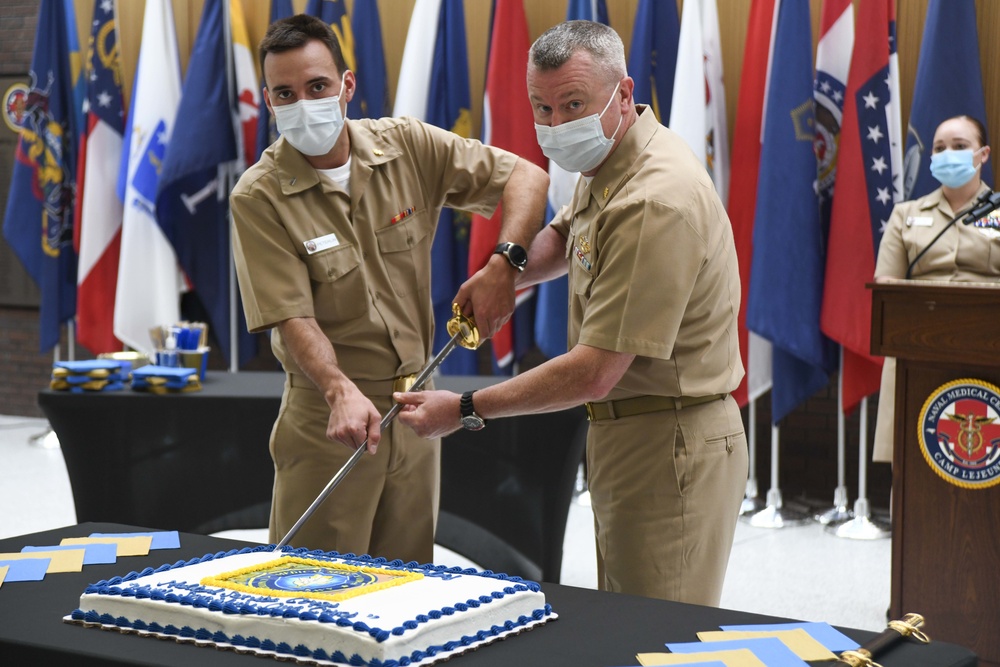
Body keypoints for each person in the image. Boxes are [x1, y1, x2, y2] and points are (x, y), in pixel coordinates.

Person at [395, 20, 748, 606]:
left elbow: (594, 370)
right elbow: (568, 234)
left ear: (624, 93)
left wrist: (463, 409)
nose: (556, 125)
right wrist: (505, 270)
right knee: (625, 611)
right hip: (628, 430)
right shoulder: (615, 156)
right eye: (543, 108)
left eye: (574, 105)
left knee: (659, 631)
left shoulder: (654, 200)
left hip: (671, 439)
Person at [230, 14, 548, 563]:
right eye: (286, 93)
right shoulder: (258, 196)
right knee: (315, 598)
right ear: (269, 100)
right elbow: (292, 317)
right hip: (330, 419)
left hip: (417, 408)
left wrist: (505, 264)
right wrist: (337, 389)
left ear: (347, 86)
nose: (303, 104)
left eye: (317, 87)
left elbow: (527, 177)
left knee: (404, 590)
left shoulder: (406, 146)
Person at [873, 114, 999, 462]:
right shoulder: (906, 215)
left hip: (988, 348)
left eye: (960, 147)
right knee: (913, 461)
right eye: (940, 148)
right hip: (918, 349)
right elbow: (886, 285)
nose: (948, 154)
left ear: (983, 154)